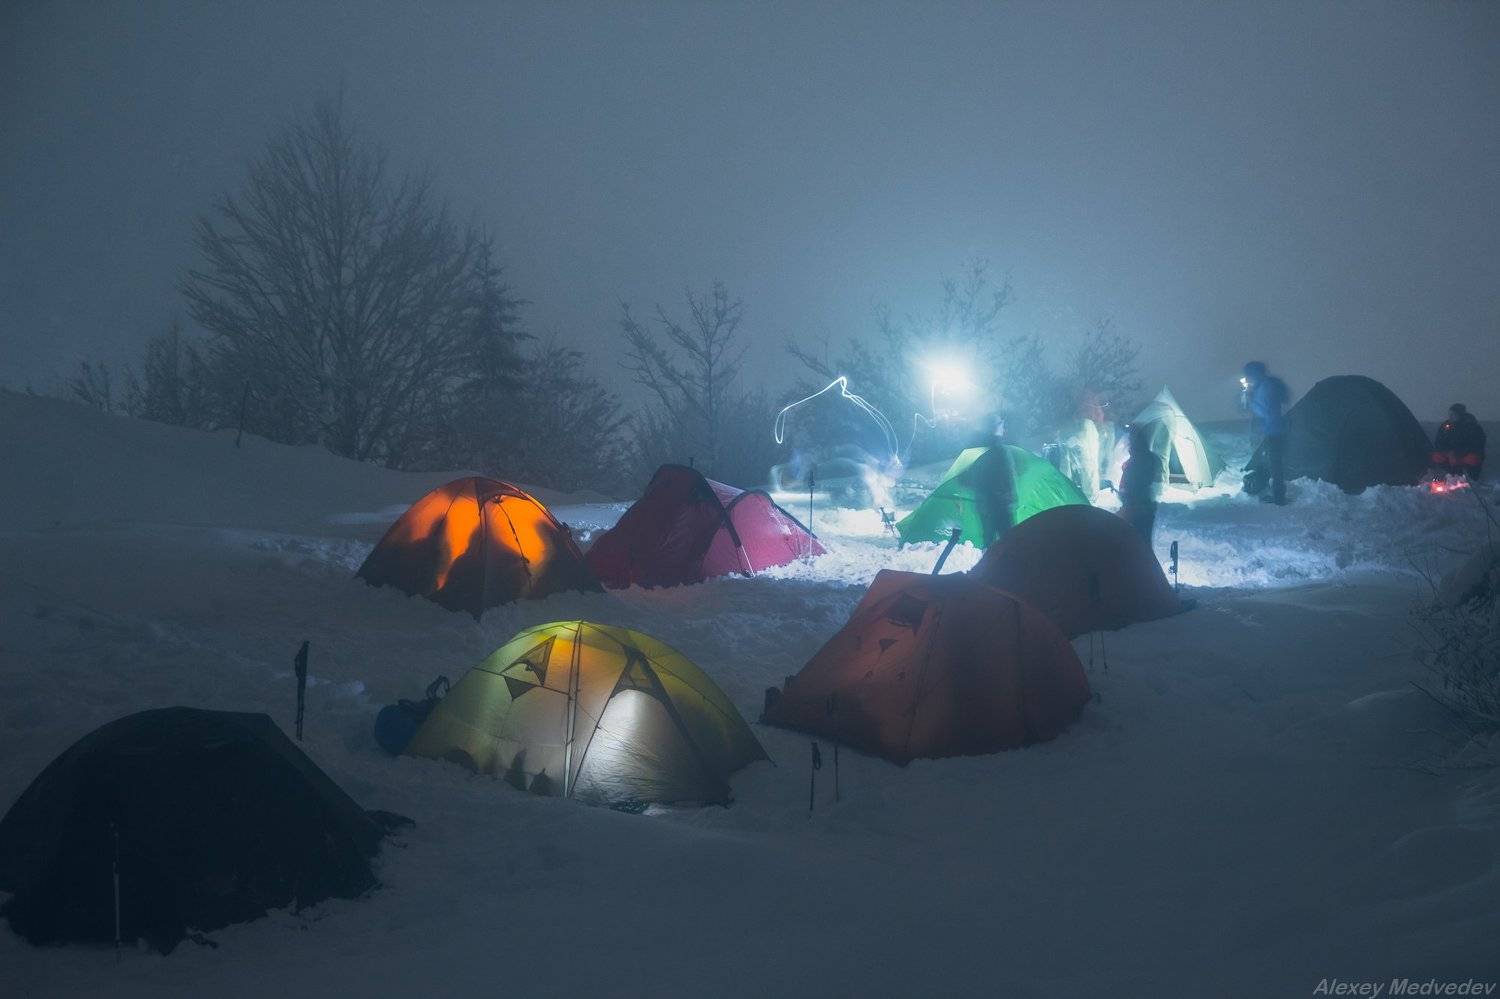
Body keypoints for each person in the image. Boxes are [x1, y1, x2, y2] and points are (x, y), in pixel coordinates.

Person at [1241, 361, 1290, 504]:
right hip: (1276, 429)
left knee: (1275, 464)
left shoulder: (1266, 387)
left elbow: (1267, 411)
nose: (1248, 378)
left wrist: (1251, 402)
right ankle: (1278, 494)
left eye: (1249, 375)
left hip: (1274, 430)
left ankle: (1279, 497)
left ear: (1254, 373)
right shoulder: (1267, 384)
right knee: (1274, 463)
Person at [973, 414, 1018, 546]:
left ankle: (990, 564)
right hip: (999, 503)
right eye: (1001, 424)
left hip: (986, 503)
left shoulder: (980, 449)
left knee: (989, 539)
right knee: (1008, 539)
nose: (1004, 427)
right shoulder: (999, 450)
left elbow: (976, 478)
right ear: (996, 428)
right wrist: (1009, 496)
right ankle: (1005, 565)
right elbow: (1006, 476)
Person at [1118, 423, 1165, 546]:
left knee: (1135, 540)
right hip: (1146, 505)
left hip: (1135, 506)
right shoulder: (1151, 458)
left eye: (1130, 438)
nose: (1128, 442)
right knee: (1144, 540)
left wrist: (1125, 496)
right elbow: (1155, 481)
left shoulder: (1136, 461)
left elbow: (1132, 483)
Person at [1433, 403, 1486, 481]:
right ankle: (1447, 475)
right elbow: (1438, 443)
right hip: (1449, 456)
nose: (1450, 416)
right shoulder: (1446, 427)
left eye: (1453, 414)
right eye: (1449, 414)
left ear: (1460, 415)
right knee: (1436, 456)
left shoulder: (1472, 426)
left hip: (1466, 455)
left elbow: (1478, 444)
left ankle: (1471, 477)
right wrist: (1448, 452)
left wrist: (1459, 454)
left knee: (1473, 459)